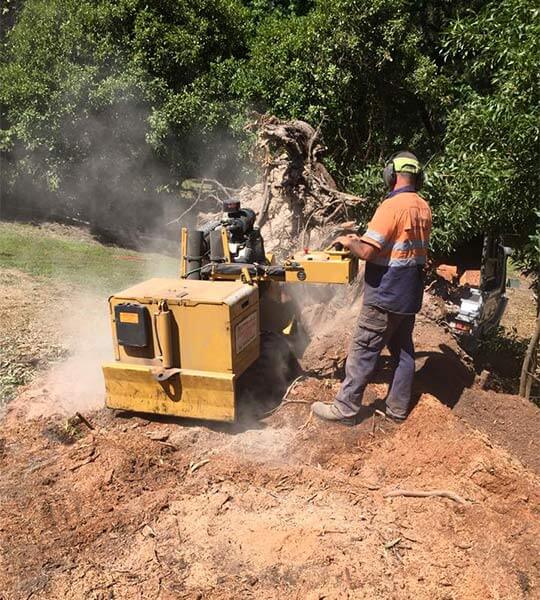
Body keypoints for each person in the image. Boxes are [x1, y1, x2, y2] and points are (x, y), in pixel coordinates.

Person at [312, 151, 432, 425]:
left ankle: (345, 409)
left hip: (385, 294)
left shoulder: (391, 207)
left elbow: (367, 251)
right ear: (418, 177)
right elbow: (395, 246)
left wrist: (348, 241)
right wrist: (360, 240)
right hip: (409, 294)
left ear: (391, 174)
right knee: (403, 352)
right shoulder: (423, 206)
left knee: (363, 350)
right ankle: (397, 410)